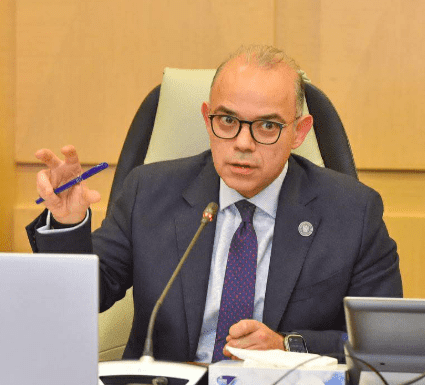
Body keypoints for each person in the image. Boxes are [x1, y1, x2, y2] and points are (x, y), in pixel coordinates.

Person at [26, 45, 402, 363]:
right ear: (208, 120)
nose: (243, 143)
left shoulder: (352, 212)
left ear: (298, 132)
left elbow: (384, 343)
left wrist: (286, 346)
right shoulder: (150, 192)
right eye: (227, 120)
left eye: (267, 126)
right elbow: (80, 297)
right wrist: (67, 224)